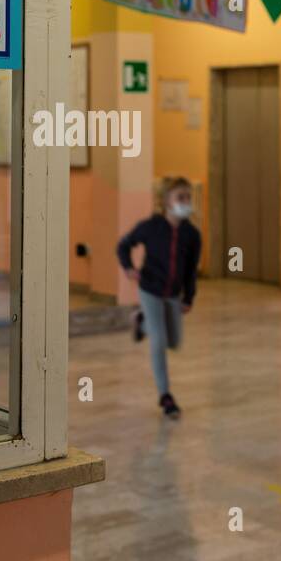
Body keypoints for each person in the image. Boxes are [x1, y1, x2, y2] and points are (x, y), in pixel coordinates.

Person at [117, 177, 202, 418]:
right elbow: (124, 245)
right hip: (150, 290)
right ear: (166, 202)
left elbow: (191, 269)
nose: (186, 202)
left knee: (174, 341)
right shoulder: (150, 227)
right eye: (180, 197)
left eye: (188, 197)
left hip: (173, 294)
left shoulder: (192, 235)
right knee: (160, 340)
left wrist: (189, 297)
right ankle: (166, 397)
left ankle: (140, 321)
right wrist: (128, 266)